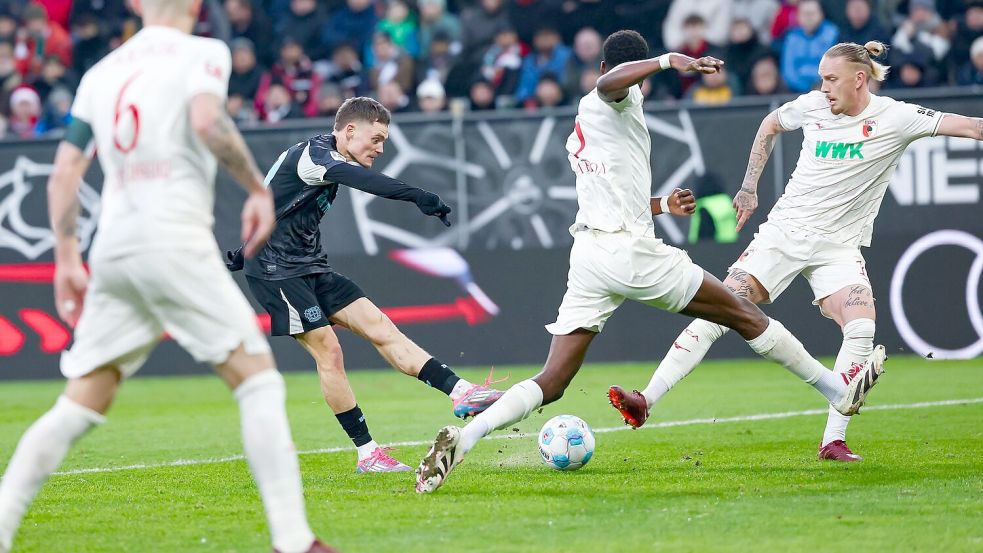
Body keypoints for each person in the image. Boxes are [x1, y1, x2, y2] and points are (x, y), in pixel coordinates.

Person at [415, 30, 886, 494]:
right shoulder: (609, 98)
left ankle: (466, 438)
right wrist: (667, 61)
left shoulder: (599, 117)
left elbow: (614, 189)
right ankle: (836, 392)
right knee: (745, 314)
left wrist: (661, 206)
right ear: (623, 73)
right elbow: (609, 85)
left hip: (591, 256)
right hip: (628, 252)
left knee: (553, 379)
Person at [0, 1, 335, 552]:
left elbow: (65, 171)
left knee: (81, 401)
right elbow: (206, 120)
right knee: (258, 381)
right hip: (173, 237)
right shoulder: (203, 51)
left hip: (114, 247)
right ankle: (294, 540)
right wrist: (256, 187)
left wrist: (65, 259)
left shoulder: (102, 72)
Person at [616, 40, 983, 462]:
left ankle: (833, 441)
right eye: (821, 80)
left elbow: (972, 127)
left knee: (862, 328)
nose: (823, 88)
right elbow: (770, 125)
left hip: (839, 247)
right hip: (784, 235)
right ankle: (646, 399)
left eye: (831, 79)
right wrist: (749, 186)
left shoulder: (897, 117)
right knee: (720, 309)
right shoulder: (812, 107)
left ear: (859, 79)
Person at [226, 97, 504, 473]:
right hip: (275, 272)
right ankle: (368, 454)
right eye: (376, 139)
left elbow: (275, 198)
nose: (381, 148)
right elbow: (364, 181)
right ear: (349, 130)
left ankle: (462, 392)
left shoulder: (324, 158)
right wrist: (419, 196)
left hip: (308, 264)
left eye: (384, 141)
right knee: (330, 350)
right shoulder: (316, 155)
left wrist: (244, 248)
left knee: (380, 326)